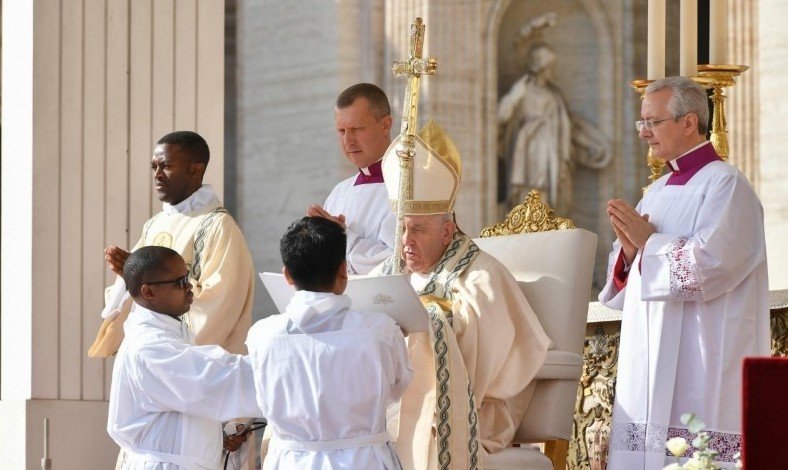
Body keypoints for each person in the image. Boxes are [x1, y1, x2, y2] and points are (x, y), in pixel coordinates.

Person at [600, 76, 770, 469]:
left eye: (652, 122)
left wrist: (649, 245)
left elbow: (712, 265)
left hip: (703, 351)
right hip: (651, 355)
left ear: (689, 122)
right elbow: (628, 284)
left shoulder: (727, 186)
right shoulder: (656, 191)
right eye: (641, 123)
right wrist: (629, 256)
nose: (644, 134)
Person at [376, 121, 551, 468]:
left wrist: (426, 325)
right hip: (392, 406)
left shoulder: (482, 276)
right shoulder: (389, 272)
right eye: (403, 229)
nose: (406, 241)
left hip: (470, 410)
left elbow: (485, 350)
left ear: (447, 230)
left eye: (418, 230)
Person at [88, 130, 257, 467]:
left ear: (196, 169)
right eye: (153, 167)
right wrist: (128, 280)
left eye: (165, 166)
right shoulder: (154, 225)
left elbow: (219, 305)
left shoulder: (217, 227)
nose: (156, 175)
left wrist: (179, 363)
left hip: (197, 378)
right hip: (163, 392)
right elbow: (143, 297)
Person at [245, 216, 413, 469]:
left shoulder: (262, 335)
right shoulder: (380, 330)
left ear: (287, 276)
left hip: (292, 461)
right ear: (344, 269)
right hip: (364, 460)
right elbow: (399, 387)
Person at [107, 246, 261, 469]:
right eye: (180, 282)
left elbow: (181, 415)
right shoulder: (151, 347)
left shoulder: (174, 333)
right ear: (149, 292)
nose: (190, 287)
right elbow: (217, 380)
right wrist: (289, 365)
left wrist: (220, 438)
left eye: (187, 277)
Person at [498, 43, 610, 213]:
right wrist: (515, 97)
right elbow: (502, 116)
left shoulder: (554, 96)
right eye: (550, 67)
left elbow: (569, 126)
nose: (552, 72)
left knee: (550, 194)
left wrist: (591, 143)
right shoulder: (523, 90)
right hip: (529, 148)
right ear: (540, 67)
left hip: (551, 151)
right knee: (530, 191)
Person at [306, 83, 396, 275]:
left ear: (385, 125)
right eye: (341, 131)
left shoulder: (408, 188)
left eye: (356, 129)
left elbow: (399, 264)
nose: (348, 141)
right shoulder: (340, 192)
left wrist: (341, 237)